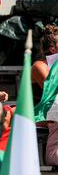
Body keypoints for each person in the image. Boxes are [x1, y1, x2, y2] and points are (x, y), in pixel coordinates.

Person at [32, 24, 58, 166]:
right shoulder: (40, 66)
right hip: (40, 113)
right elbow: (53, 94)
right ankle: (53, 153)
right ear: (53, 48)